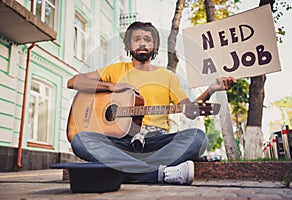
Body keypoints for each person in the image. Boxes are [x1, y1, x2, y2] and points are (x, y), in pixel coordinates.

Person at [67, 21, 236, 185]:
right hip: (120, 144)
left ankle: (122, 168)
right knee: (80, 140)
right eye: (137, 39)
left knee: (197, 138)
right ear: (128, 45)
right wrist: (112, 85)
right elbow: (73, 81)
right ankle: (157, 172)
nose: (142, 43)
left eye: (147, 40)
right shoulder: (115, 70)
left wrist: (212, 89)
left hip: (155, 144)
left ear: (155, 46)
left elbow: (191, 111)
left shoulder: (167, 76)